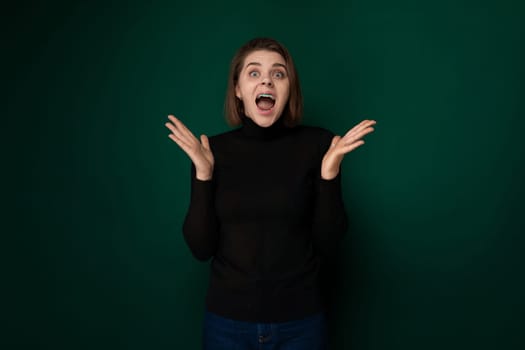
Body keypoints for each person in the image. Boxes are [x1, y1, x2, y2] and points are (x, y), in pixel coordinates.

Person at [165, 37, 376, 350]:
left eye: (278, 73)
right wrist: (203, 174)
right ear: (237, 90)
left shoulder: (320, 146)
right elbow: (201, 248)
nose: (266, 79)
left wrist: (329, 173)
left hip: (301, 325)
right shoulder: (212, 152)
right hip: (227, 325)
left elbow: (329, 244)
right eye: (253, 73)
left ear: (289, 88)